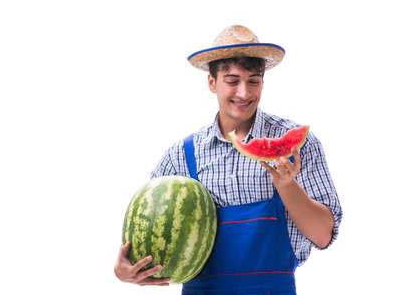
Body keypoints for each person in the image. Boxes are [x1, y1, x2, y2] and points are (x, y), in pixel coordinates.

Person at [114, 25, 342, 294]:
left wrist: (287, 185)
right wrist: (125, 269)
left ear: (263, 82)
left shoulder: (296, 146)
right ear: (212, 83)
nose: (244, 93)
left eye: (253, 81)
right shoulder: (182, 155)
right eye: (232, 81)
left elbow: (323, 235)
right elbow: (149, 232)